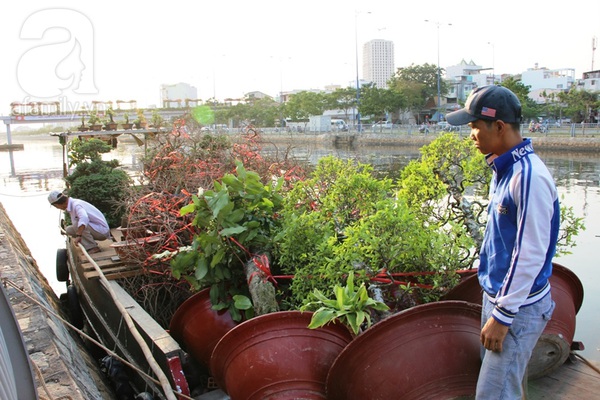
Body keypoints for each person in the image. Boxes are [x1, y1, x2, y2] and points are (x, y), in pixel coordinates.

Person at [446, 85, 559, 399]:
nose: (471, 135)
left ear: (499, 127)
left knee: (493, 394)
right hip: (500, 298)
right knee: (507, 384)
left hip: (518, 308)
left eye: (474, 127)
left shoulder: (529, 177)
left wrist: (503, 316)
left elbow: (530, 253)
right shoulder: (505, 167)